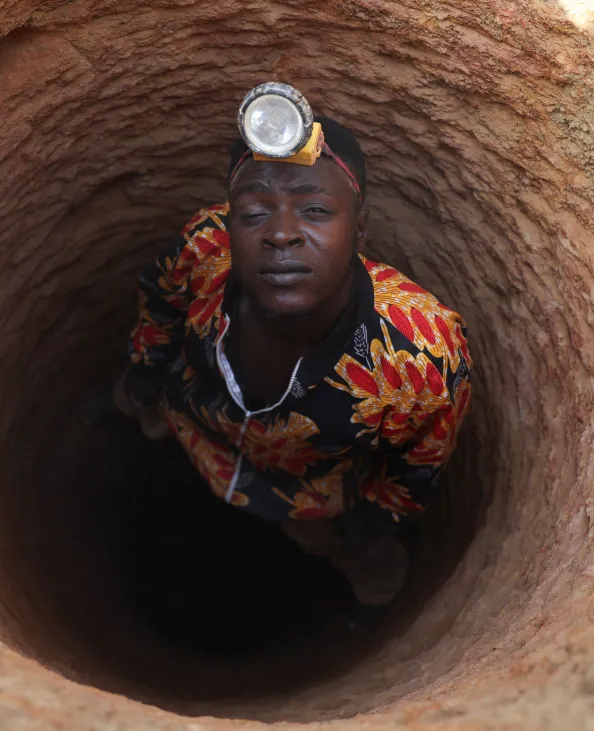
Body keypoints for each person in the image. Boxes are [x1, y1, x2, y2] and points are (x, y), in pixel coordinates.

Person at [113, 96, 473, 607]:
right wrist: (144, 377)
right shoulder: (204, 246)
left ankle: (363, 562)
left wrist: (368, 524)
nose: (281, 233)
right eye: (255, 212)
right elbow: (161, 304)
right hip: (195, 422)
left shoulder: (422, 358)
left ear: (361, 230)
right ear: (231, 226)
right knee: (141, 405)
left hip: (308, 492)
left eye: (316, 211)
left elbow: (418, 467)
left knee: (334, 541)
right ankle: (143, 415)